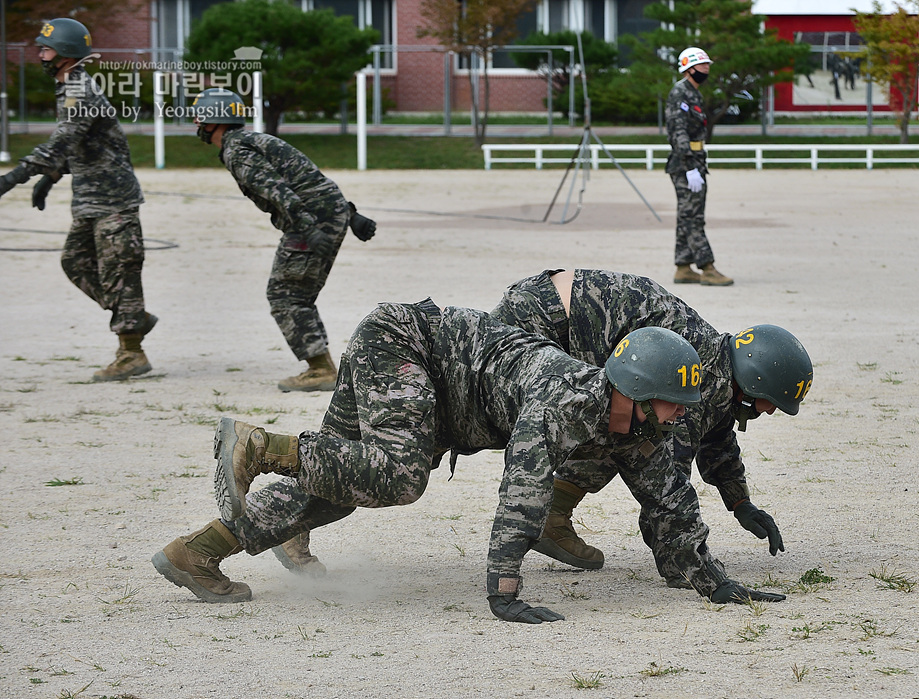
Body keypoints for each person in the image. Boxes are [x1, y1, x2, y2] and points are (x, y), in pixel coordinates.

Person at [153, 301, 785, 622]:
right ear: (638, 395)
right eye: (673, 406)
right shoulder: (561, 403)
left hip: (444, 394)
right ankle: (263, 448)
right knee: (399, 475)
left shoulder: (636, 426)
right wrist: (504, 594)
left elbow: (671, 503)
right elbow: (521, 500)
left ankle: (197, 551)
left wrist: (713, 582)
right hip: (406, 342)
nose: (683, 419)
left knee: (351, 479)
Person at [489, 269, 813, 586]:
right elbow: (665, 483)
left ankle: (553, 514)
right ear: (756, 383)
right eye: (773, 401)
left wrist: (740, 502)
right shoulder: (700, 379)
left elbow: (717, 436)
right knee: (622, 431)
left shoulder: (715, 365)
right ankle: (546, 518)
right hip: (540, 321)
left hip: (543, 304)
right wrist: (688, 564)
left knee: (622, 425)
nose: (771, 412)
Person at [190, 88, 377, 392]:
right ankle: (324, 367)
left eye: (200, 117)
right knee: (296, 295)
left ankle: (320, 370)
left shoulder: (237, 149)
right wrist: (350, 215)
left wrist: (309, 229)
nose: (196, 123)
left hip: (309, 220)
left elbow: (278, 191)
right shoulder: (252, 141)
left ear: (215, 120)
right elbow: (310, 179)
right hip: (323, 215)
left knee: (285, 296)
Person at [0, 18, 157, 381]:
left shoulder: (78, 88)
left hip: (113, 200)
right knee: (75, 262)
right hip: (89, 198)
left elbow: (61, 142)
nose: (40, 53)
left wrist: (15, 177)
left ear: (67, 53)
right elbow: (80, 145)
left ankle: (131, 351)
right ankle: (133, 317)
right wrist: (51, 178)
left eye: (46, 48)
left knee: (120, 272)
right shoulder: (67, 87)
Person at [665, 47, 733, 286]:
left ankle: (683, 266)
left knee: (688, 214)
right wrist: (689, 166)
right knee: (693, 217)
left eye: (707, 65)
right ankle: (707, 266)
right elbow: (677, 131)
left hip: (695, 160)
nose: (706, 69)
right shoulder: (680, 93)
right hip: (686, 163)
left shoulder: (693, 93)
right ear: (689, 69)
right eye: (702, 66)